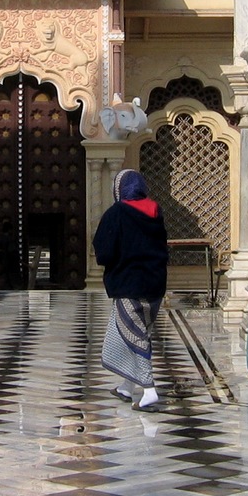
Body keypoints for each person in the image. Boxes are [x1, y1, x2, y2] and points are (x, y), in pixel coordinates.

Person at [94, 168, 169, 411]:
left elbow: (104, 252)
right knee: (133, 332)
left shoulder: (117, 213)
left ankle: (149, 391)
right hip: (155, 285)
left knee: (135, 336)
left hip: (129, 285)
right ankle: (127, 386)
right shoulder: (156, 212)